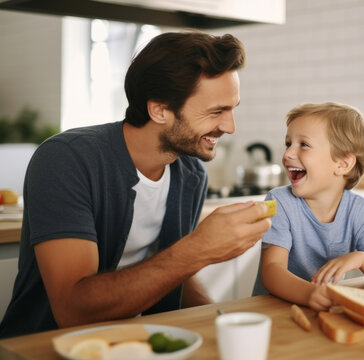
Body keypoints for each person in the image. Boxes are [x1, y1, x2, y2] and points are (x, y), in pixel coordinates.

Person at [0, 31, 272, 339]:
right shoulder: (67, 159)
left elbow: (173, 270)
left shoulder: (191, 172)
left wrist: (219, 326)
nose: (230, 126)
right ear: (159, 109)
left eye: (232, 108)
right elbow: (73, 309)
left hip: (140, 342)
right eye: (216, 112)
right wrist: (199, 249)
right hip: (46, 347)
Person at [252, 102, 364, 311]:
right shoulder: (279, 202)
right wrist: (310, 294)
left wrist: (361, 258)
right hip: (274, 311)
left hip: (318, 309)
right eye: (288, 144)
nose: (287, 154)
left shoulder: (359, 211)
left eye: (303, 144)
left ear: (342, 164)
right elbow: (272, 270)